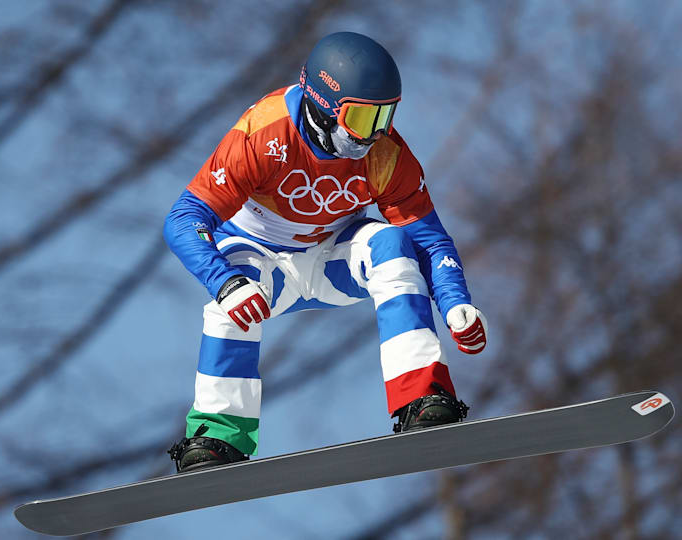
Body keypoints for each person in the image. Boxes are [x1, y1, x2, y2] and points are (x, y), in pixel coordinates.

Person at [164, 31, 488, 472]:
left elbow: (430, 239)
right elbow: (184, 219)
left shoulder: (386, 154)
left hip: (333, 261)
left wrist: (454, 302)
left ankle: (421, 396)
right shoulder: (264, 134)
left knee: (392, 242)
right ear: (323, 105)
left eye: (385, 116)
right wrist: (224, 283)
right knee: (234, 288)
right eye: (362, 118)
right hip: (263, 267)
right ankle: (218, 434)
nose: (374, 135)